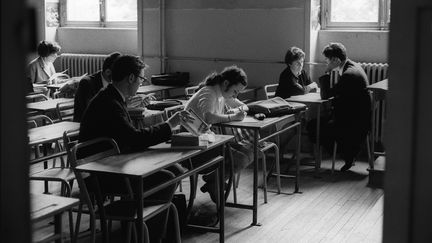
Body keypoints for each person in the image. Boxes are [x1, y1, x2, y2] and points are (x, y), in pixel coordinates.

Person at [78, 55, 193, 240]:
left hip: (113, 163)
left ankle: (143, 227)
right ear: (131, 78)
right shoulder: (109, 102)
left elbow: (128, 136)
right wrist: (169, 125)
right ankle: (147, 232)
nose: (141, 83)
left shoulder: (112, 96)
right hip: (102, 173)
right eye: (141, 79)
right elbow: (133, 138)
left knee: (175, 170)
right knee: (168, 177)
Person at [185, 65, 253, 203]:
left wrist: (233, 112)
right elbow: (209, 117)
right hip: (191, 144)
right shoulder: (209, 92)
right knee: (241, 158)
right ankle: (214, 182)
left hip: (206, 139)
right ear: (226, 83)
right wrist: (232, 117)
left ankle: (214, 180)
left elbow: (244, 106)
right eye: (235, 91)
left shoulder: (222, 93)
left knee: (250, 153)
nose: (235, 95)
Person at [308, 42, 371, 171]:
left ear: (335, 60)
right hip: (359, 117)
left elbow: (326, 95)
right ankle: (347, 155)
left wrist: (327, 72)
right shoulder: (353, 66)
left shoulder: (348, 75)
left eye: (327, 60)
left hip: (354, 124)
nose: (326, 62)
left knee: (313, 126)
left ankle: (345, 155)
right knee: (319, 123)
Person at [73, 52, 121, 122]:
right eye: (119, 73)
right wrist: (121, 105)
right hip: (88, 126)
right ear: (108, 72)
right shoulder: (87, 83)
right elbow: (92, 111)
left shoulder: (115, 83)